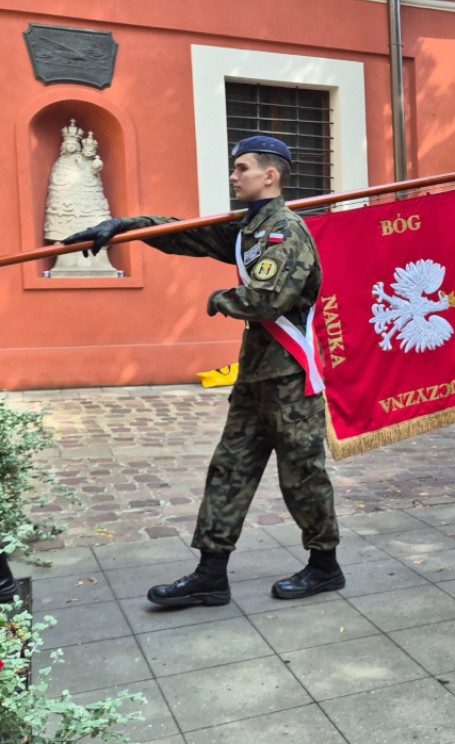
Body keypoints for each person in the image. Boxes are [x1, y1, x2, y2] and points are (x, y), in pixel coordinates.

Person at [63, 135, 344, 608]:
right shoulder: (249, 229)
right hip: (256, 377)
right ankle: (211, 574)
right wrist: (126, 227)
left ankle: (324, 566)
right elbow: (186, 233)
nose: (234, 176)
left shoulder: (284, 231)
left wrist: (219, 300)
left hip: (290, 379)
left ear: (270, 176)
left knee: (302, 474)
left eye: (243, 168)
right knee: (228, 470)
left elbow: (266, 299)